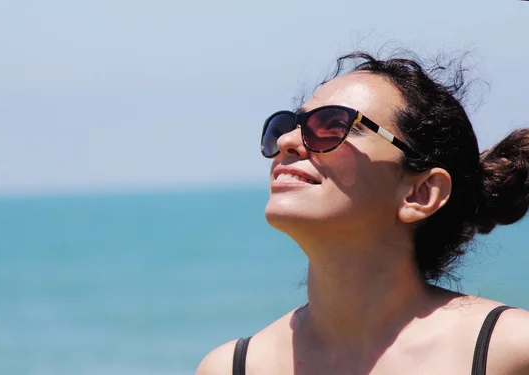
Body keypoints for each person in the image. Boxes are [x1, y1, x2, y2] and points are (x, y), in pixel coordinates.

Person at [195, 50, 529, 375]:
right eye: (286, 125)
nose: (287, 141)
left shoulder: (510, 351)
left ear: (421, 193)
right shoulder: (232, 368)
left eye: (332, 125)